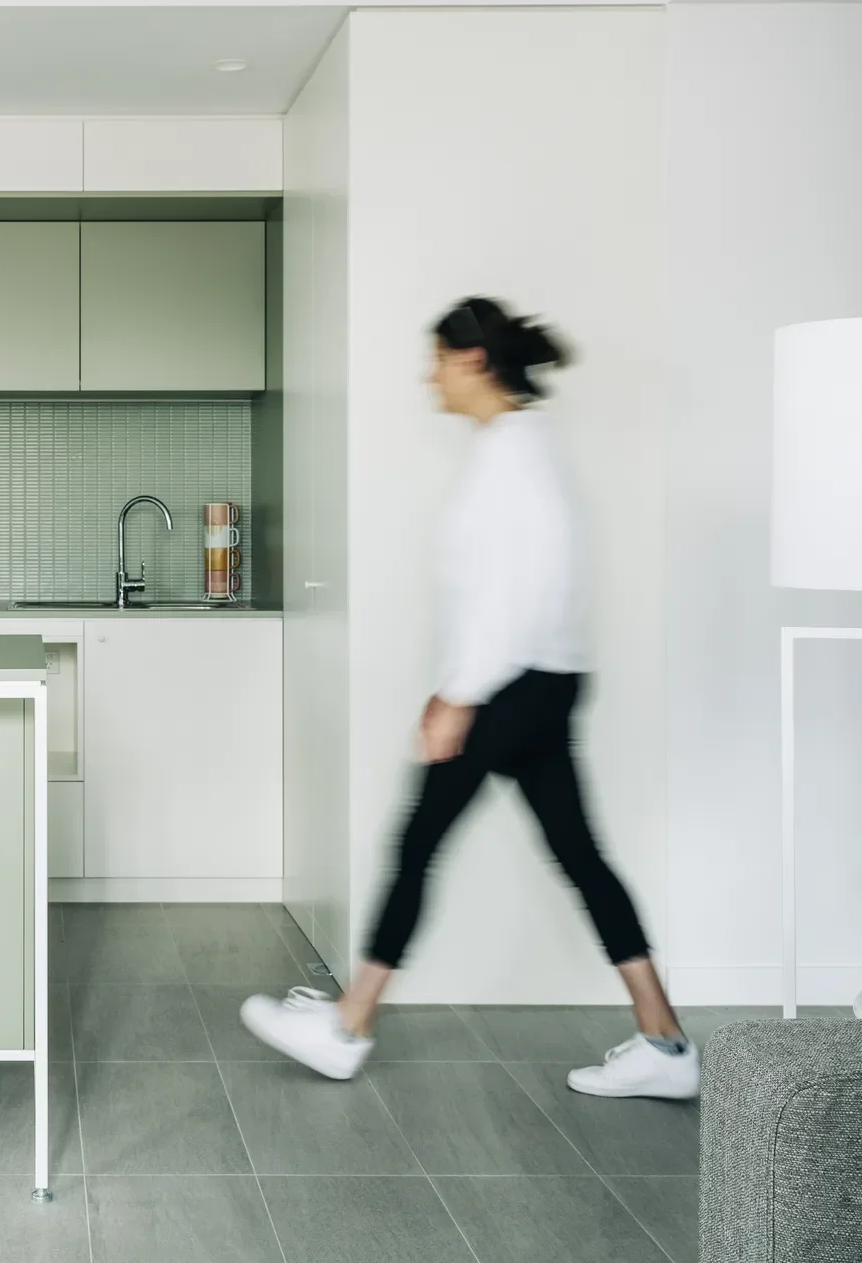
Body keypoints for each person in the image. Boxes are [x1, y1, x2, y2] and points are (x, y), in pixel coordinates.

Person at [241, 296, 697, 1101]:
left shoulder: (510, 458)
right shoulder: (526, 446)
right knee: (578, 855)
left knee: (418, 843)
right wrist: (461, 687)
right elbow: (520, 589)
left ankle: (348, 1027)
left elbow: (511, 594)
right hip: (543, 682)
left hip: (510, 688)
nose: (429, 377)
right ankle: (663, 1041)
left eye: (437, 360)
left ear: (474, 361)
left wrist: (462, 694)